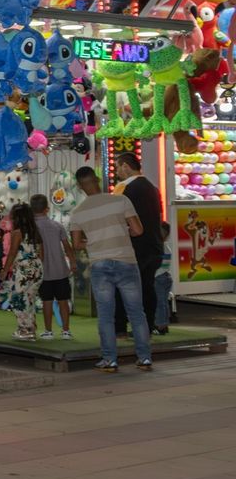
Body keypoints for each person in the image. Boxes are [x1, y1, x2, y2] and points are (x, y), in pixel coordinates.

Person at [69, 165, 151, 372]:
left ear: (79, 186)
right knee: (136, 313)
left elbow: (77, 244)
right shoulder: (120, 200)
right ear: (97, 179)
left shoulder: (78, 212)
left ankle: (110, 360)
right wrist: (123, 233)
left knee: (106, 315)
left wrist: (94, 241)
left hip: (99, 263)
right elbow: (138, 230)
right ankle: (144, 358)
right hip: (126, 260)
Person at [115, 153, 167, 336]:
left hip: (132, 246)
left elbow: (116, 217)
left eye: (117, 167)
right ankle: (148, 325)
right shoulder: (153, 188)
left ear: (126, 166)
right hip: (154, 245)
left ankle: (120, 327)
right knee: (147, 286)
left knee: (121, 287)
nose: (117, 171)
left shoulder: (123, 187)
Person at [31, 194, 74, 339]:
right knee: (63, 300)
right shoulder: (57, 226)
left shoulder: (31, 228)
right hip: (60, 269)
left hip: (42, 271)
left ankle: (48, 331)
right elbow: (67, 247)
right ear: (47, 209)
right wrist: (73, 262)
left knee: (46, 301)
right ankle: (66, 331)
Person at [1, 203, 43, 340]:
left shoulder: (17, 233)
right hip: (37, 268)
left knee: (18, 298)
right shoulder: (35, 232)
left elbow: (12, 253)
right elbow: (42, 252)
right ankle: (30, 328)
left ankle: (24, 329)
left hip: (24, 269)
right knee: (30, 298)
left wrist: (5, 270)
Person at [155, 221, 174, 331]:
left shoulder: (160, 247)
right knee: (163, 302)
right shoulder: (166, 247)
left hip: (159, 277)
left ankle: (160, 325)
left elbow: (157, 265)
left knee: (159, 302)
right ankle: (164, 323)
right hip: (165, 276)